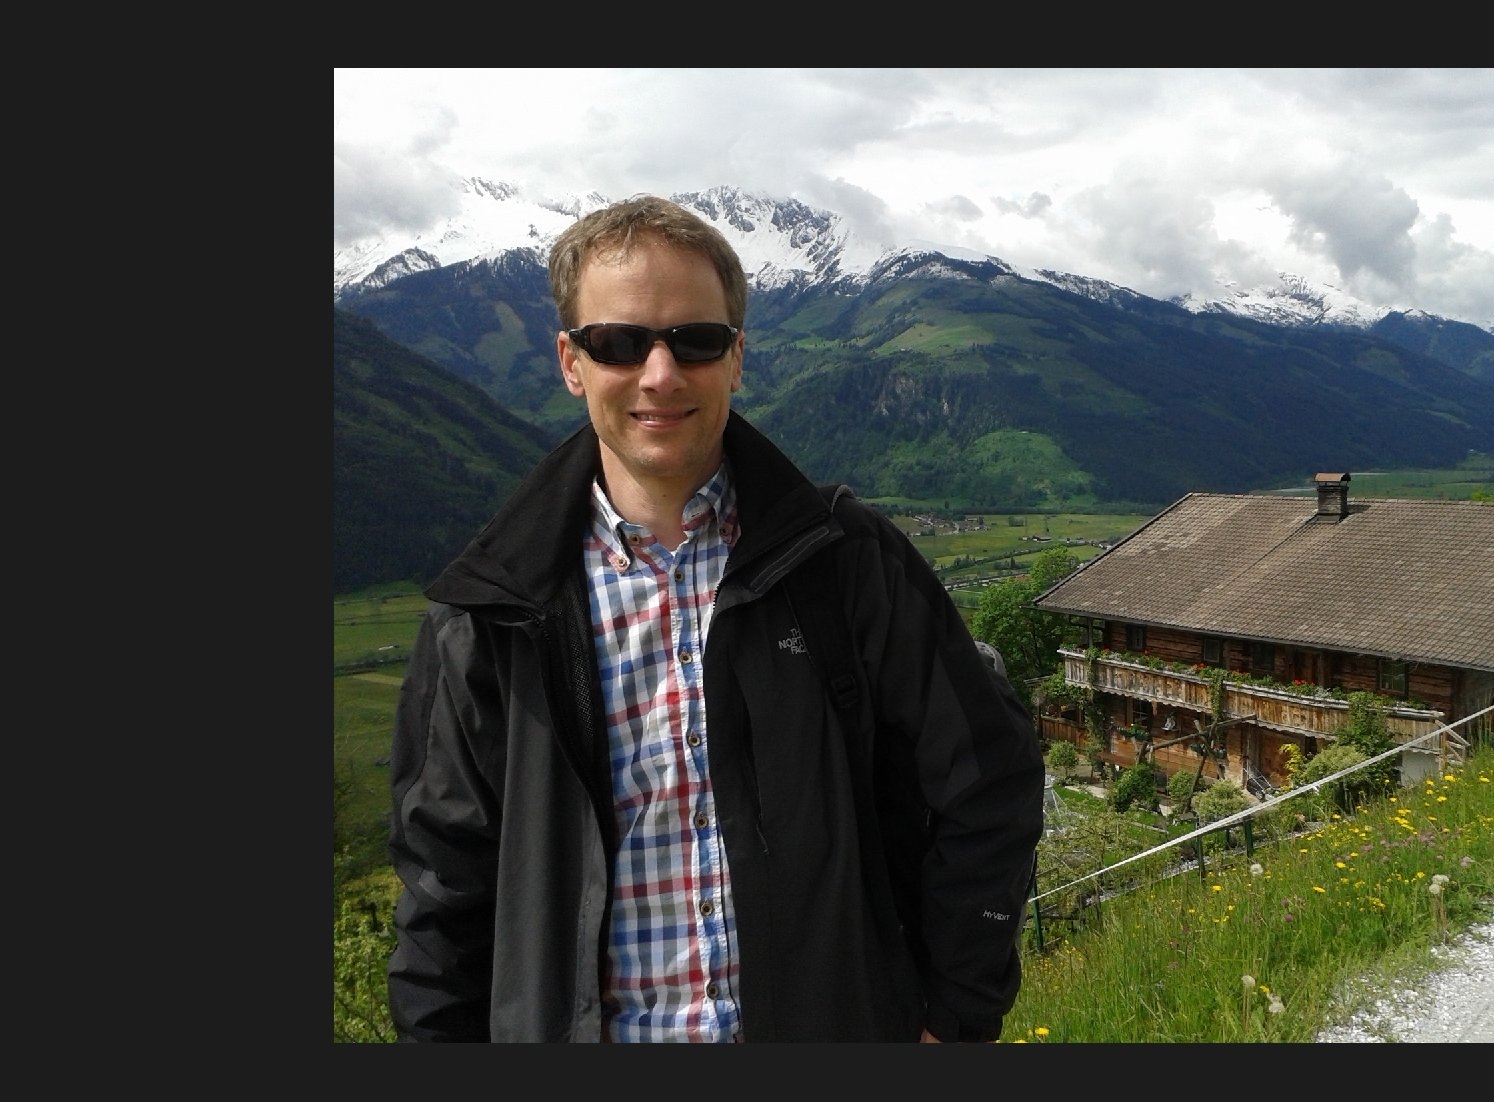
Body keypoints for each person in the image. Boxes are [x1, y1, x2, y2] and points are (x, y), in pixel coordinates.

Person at [387, 194, 1045, 1043]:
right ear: (570, 361)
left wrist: (954, 1015)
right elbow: (443, 887)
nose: (660, 374)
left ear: (736, 357)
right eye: (619, 342)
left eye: (694, 340)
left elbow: (988, 775)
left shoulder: (844, 563)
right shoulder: (491, 611)